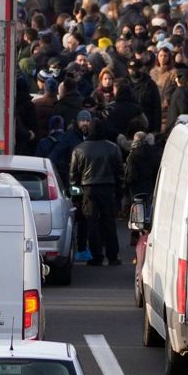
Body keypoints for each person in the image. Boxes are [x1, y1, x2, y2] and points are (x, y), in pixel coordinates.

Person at [68, 109, 125, 267]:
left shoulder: (79, 149)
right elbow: (120, 173)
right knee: (109, 222)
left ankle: (96, 256)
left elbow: (73, 178)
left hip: (88, 190)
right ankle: (113, 256)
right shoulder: (113, 148)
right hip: (108, 188)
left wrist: (76, 197)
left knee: (92, 223)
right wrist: (119, 194)